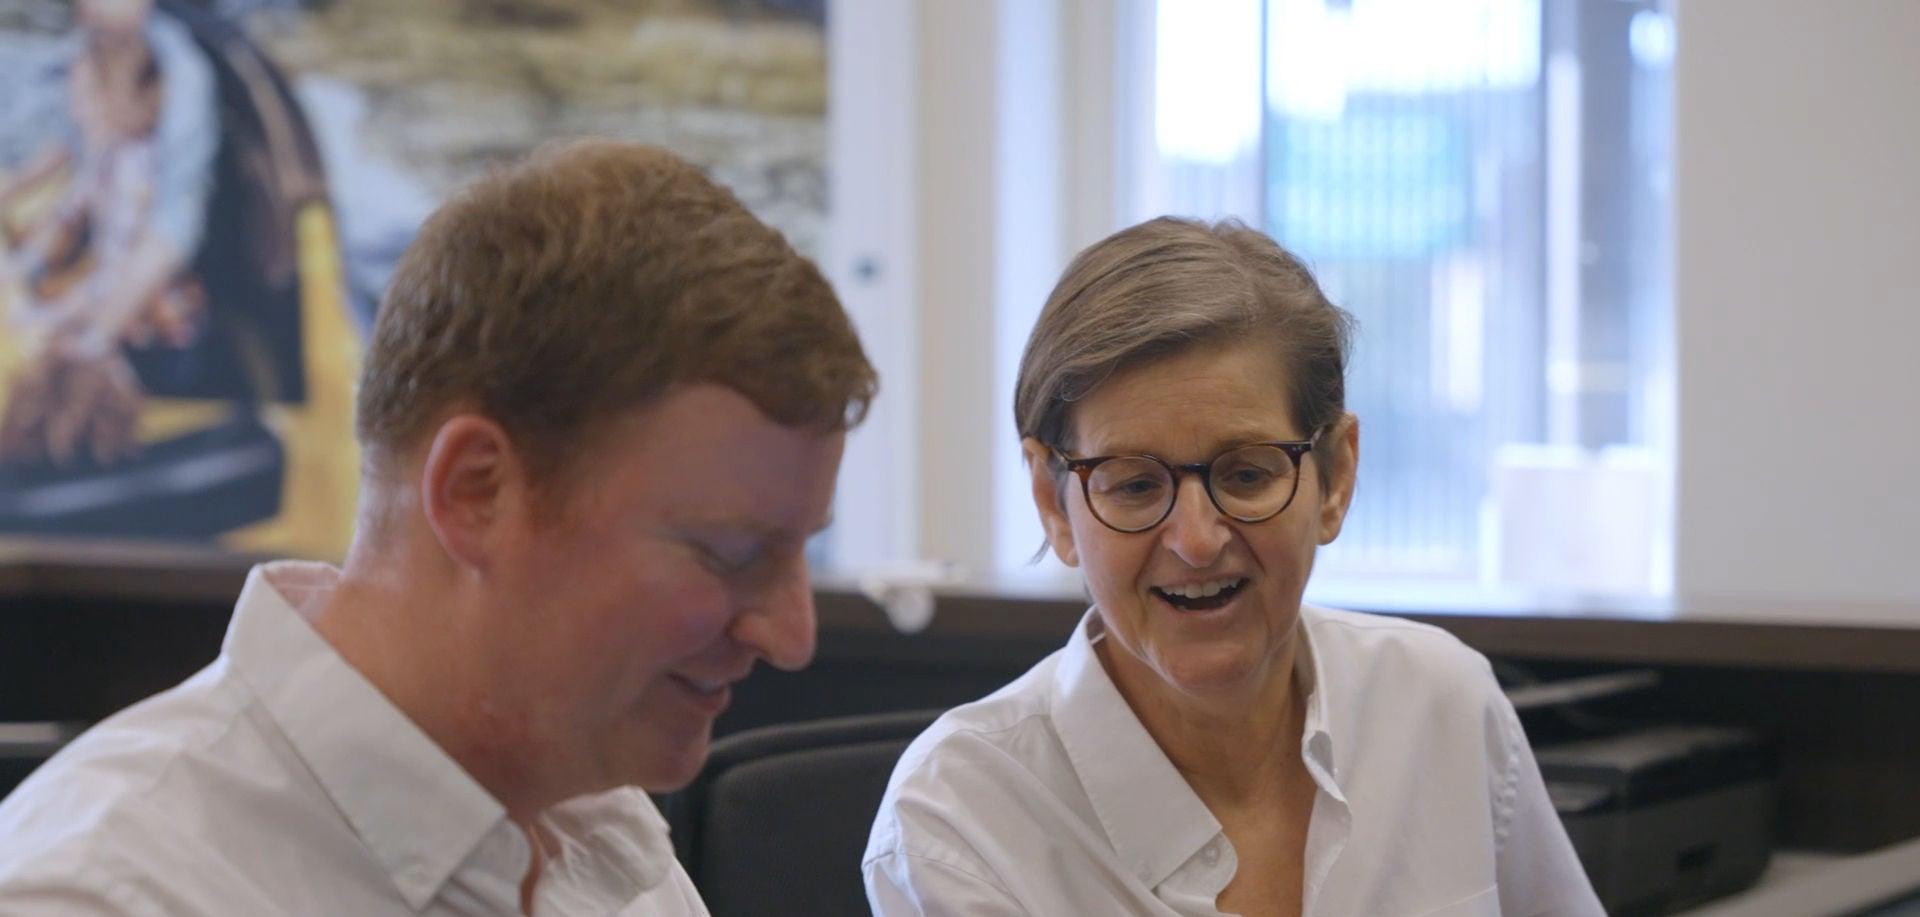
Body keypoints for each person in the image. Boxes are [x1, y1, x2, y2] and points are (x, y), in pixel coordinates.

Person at [0, 140, 877, 915]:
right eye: (729, 552)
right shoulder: (104, 890)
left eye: (801, 550)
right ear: (476, 491)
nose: (791, 633)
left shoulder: (600, 832)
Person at [864, 217, 1601, 916]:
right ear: (1052, 504)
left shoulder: (1441, 703)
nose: (1196, 538)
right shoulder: (959, 819)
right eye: (1135, 483)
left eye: (1246, 474)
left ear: (1335, 476)